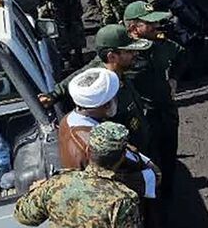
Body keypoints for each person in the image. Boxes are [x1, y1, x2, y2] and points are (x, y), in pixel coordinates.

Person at [42, 25, 153, 153]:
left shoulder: (114, 69)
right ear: (112, 57)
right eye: (129, 51)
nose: (135, 54)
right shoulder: (101, 92)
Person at [14, 122, 143, 228]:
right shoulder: (121, 200)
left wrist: (35, 191)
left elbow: (23, 216)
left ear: (87, 151)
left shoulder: (57, 183)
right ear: (121, 158)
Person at [59, 68, 160, 200]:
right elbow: (142, 173)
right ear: (107, 105)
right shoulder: (100, 145)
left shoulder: (67, 120)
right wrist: (153, 173)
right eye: (114, 98)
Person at [123, 0, 183, 196]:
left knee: (168, 160)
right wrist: (54, 95)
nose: (156, 27)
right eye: (150, 24)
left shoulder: (160, 42)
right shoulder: (123, 50)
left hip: (166, 113)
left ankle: (167, 197)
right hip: (141, 120)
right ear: (133, 28)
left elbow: (182, 55)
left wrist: (174, 78)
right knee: (144, 164)